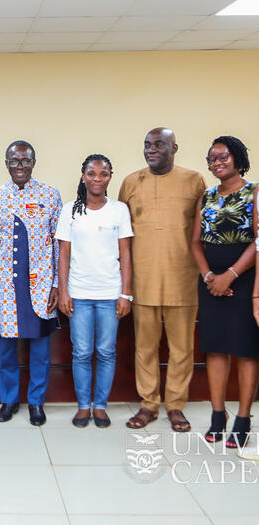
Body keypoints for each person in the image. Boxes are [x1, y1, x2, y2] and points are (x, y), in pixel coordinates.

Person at [118, 127, 206, 432]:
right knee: (145, 347)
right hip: (142, 280)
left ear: (174, 147)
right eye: (147, 145)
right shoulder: (131, 182)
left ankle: (176, 406)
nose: (151, 150)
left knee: (182, 349)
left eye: (159, 145)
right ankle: (148, 404)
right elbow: (121, 236)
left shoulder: (194, 181)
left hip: (182, 278)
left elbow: (202, 230)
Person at [0, 140, 61, 425]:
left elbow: (57, 245)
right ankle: (9, 400)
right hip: (4, 287)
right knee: (6, 350)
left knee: (40, 348)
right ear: (6, 164)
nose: (20, 166)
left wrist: (55, 285)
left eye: (25, 161)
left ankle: (36, 403)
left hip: (40, 286)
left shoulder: (50, 196)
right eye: (14, 161)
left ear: (33, 163)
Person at [190, 136, 259, 448]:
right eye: (211, 159)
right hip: (210, 282)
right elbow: (194, 241)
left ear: (238, 157)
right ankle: (219, 415)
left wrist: (229, 276)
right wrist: (209, 276)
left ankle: (243, 418)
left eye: (223, 156)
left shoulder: (254, 192)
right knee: (215, 348)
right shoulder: (205, 196)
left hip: (244, 280)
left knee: (245, 350)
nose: (216, 162)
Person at [56, 154, 133, 428]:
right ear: (83, 176)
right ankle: (83, 406)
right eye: (91, 173)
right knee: (82, 352)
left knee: (106, 351)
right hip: (79, 293)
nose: (97, 179)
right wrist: (63, 292)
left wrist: (126, 294)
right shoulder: (70, 211)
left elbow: (125, 254)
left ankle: (100, 406)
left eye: (103, 174)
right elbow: (63, 255)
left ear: (110, 177)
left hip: (110, 294)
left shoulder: (119, 210)